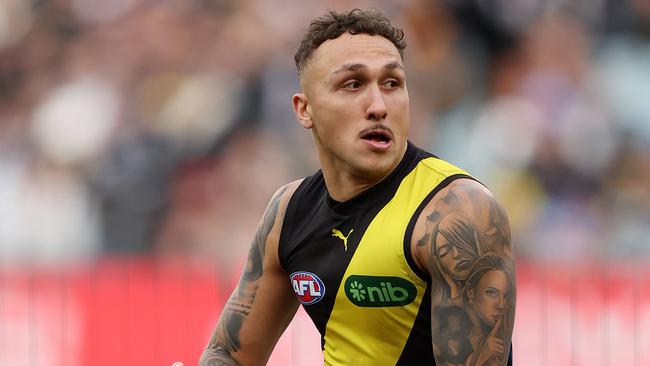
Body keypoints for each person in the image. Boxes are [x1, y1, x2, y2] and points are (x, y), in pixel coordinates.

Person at [197, 8, 516, 366]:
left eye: (392, 84)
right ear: (305, 110)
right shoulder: (288, 213)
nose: (379, 106)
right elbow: (229, 354)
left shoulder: (456, 213)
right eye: (353, 84)